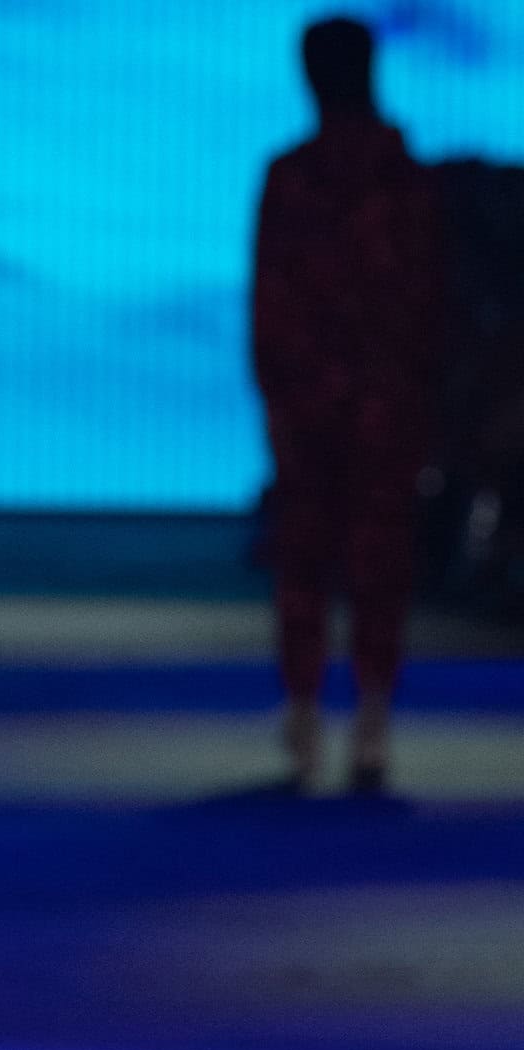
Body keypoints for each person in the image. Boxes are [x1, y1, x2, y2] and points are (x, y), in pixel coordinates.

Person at [252, 16, 443, 792]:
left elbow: (270, 303)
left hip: (311, 408)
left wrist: (277, 399)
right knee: (379, 565)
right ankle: (370, 724)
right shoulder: (407, 179)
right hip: (387, 408)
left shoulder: (293, 176)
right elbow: (430, 306)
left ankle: (306, 720)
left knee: (305, 562)